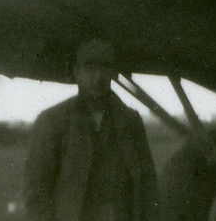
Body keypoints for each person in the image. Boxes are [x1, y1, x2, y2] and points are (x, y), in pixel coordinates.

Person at [23, 39, 160, 221]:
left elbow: (147, 186)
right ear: (77, 72)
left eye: (104, 69)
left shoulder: (130, 121)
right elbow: (36, 192)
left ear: (113, 73)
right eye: (90, 68)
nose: (98, 77)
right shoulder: (53, 121)